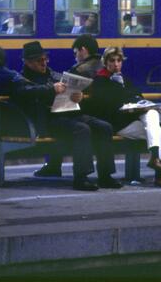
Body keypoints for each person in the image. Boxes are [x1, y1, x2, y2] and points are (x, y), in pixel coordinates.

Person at [21, 41, 121, 190]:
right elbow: (27, 93)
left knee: (104, 127)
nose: (44, 63)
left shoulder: (54, 75)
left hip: (68, 114)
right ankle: (81, 178)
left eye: (45, 59)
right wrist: (51, 89)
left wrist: (77, 96)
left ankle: (106, 176)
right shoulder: (22, 79)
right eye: (39, 60)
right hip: (48, 120)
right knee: (82, 129)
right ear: (28, 62)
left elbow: (69, 93)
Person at [87, 46, 161, 187]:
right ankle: (160, 173)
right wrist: (129, 100)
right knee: (155, 130)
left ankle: (156, 160)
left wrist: (136, 104)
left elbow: (138, 95)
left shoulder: (123, 79)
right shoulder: (99, 81)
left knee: (152, 115)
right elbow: (108, 105)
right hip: (117, 124)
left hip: (132, 121)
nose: (116, 64)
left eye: (119, 61)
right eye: (112, 60)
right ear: (105, 62)